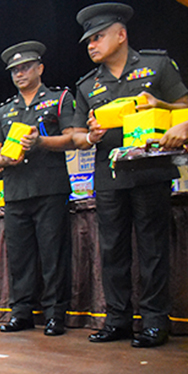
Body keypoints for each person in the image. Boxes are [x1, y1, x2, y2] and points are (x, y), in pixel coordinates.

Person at [71, 3, 188, 347]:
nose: (91, 45)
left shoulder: (157, 65)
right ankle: (117, 319)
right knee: (112, 250)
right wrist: (89, 136)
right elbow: (77, 133)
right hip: (109, 173)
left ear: (121, 35)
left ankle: (155, 322)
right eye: (88, 40)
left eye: (98, 37)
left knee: (153, 249)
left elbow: (183, 106)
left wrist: (161, 106)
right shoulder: (88, 84)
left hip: (150, 170)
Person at [0, 41, 77, 336]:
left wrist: (40, 143)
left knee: (53, 255)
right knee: (19, 256)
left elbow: (72, 138)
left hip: (50, 188)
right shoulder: (3, 111)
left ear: (40, 68)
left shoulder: (59, 98)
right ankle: (22, 312)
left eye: (25, 67)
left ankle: (55, 315)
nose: (19, 73)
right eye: (15, 70)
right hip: (15, 190)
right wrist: (3, 160)